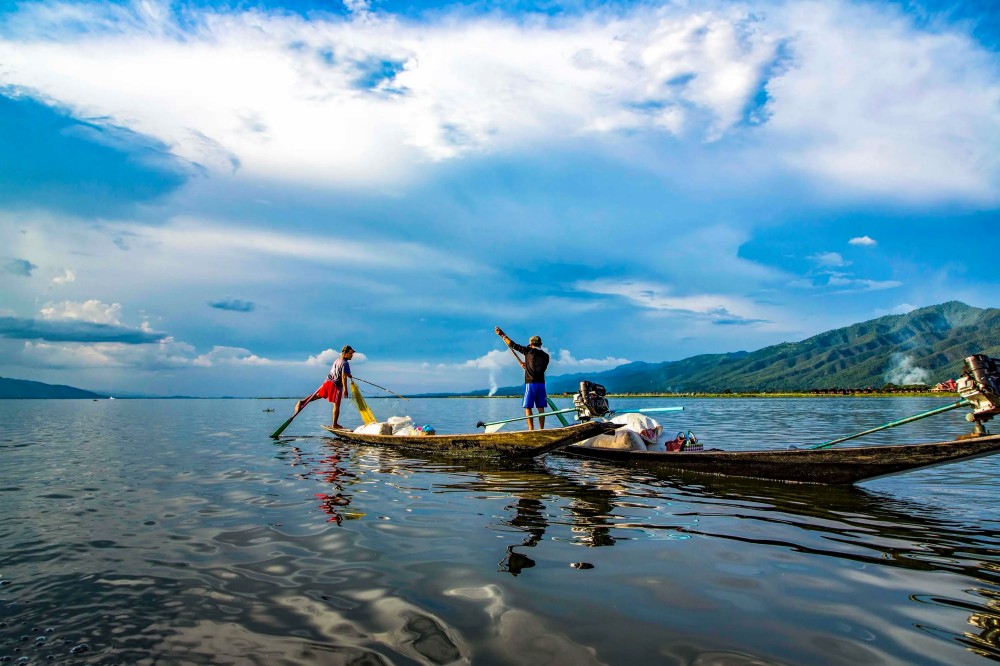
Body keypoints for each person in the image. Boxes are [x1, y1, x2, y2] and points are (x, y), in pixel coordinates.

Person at [495, 327, 550, 430]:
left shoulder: (528, 350)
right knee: (541, 408)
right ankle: (542, 429)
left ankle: (530, 429)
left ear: (531, 344)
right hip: (541, 384)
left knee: (528, 406)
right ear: (540, 344)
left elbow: (512, 344)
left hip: (531, 383)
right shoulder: (546, 356)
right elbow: (539, 368)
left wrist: (502, 335)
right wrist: (527, 365)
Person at [296, 345, 356, 429]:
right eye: (350, 353)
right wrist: (345, 390)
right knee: (337, 405)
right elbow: (343, 377)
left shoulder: (337, 360)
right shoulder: (345, 363)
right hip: (336, 385)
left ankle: (302, 402)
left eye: (352, 353)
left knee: (317, 395)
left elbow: (342, 372)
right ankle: (334, 424)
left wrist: (348, 374)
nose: (352, 355)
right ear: (344, 353)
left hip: (328, 381)